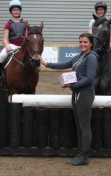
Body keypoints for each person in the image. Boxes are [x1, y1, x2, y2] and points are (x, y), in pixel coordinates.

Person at [39, 33, 98, 166]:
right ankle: (80, 153)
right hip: (76, 93)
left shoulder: (91, 58)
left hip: (84, 94)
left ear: (91, 44)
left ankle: (84, 156)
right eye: (80, 42)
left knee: (84, 125)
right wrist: (46, 63)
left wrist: (72, 85)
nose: (82, 44)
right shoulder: (79, 57)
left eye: (85, 42)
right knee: (79, 125)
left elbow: (90, 78)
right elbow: (63, 64)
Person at [88, 1, 111, 89]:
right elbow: (90, 33)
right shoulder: (93, 21)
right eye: (98, 10)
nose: (100, 11)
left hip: (105, 46)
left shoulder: (109, 21)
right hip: (95, 45)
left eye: (101, 10)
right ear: (96, 11)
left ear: (105, 11)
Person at [0, 0, 28, 83]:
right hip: (12, 45)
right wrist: (7, 46)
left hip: (23, 47)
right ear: (11, 11)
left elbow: (27, 36)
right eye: (14, 10)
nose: (16, 11)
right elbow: (5, 38)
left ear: (20, 11)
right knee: (1, 57)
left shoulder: (25, 23)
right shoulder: (8, 24)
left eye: (17, 10)